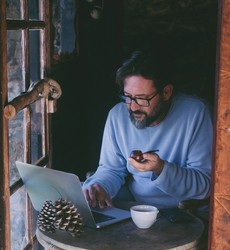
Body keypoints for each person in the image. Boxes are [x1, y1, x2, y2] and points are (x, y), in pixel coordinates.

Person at [82, 50, 213, 209]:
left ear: (166, 92)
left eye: (143, 99)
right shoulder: (117, 115)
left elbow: (205, 184)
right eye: (128, 96)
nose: (133, 107)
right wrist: (99, 186)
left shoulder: (196, 113)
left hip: (182, 211)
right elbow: (111, 170)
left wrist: (161, 169)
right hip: (135, 206)